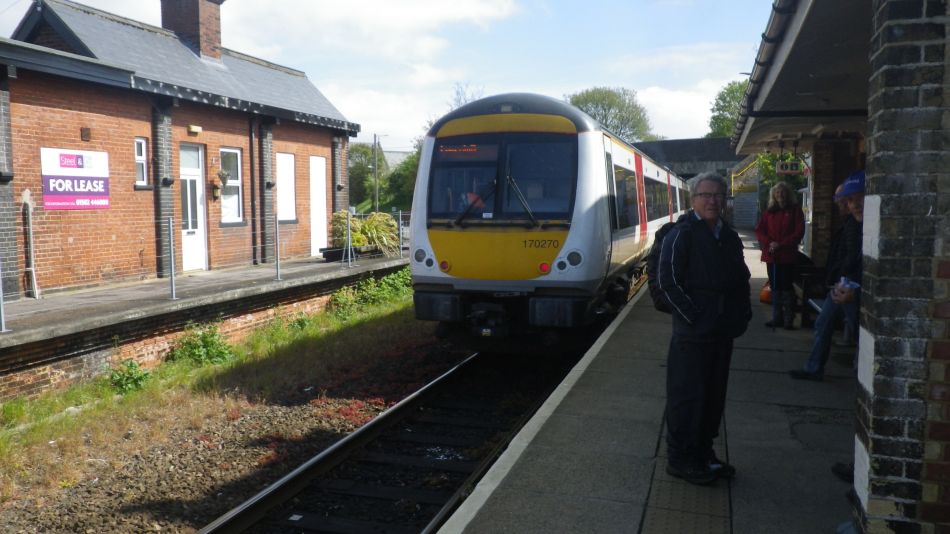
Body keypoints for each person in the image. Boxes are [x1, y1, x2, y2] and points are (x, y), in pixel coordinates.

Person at [658, 172, 752, 485]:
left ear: (725, 200)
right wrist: (693, 317)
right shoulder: (681, 235)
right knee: (687, 398)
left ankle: (703, 453)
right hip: (692, 335)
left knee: (713, 396)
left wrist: (742, 315)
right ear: (694, 200)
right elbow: (668, 282)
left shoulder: (728, 236)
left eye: (718, 196)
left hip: (722, 331)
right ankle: (680, 458)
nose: (712, 201)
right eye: (706, 195)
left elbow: (741, 279)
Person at [789, 170, 864, 381]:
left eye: (857, 199)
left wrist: (848, 283)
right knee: (824, 324)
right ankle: (814, 368)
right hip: (841, 286)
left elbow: (853, 259)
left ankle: (864, 380)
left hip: (850, 287)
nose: (849, 204)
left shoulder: (859, 226)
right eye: (846, 200)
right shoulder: (850, 224)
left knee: (862, 334)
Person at [755, 181, 805, 329]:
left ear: (788, 194)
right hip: (772, 255)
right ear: (774, 196)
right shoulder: (769, 211)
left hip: (787, 255)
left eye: (783, 192)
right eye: (777, 193)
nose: (780, 195)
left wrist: (781, 244)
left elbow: (799, 232)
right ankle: (777, 317)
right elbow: (759, 230)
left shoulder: (795, 210)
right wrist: (769, 242)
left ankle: (788, 319)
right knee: (775, 286)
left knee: (786, 286)